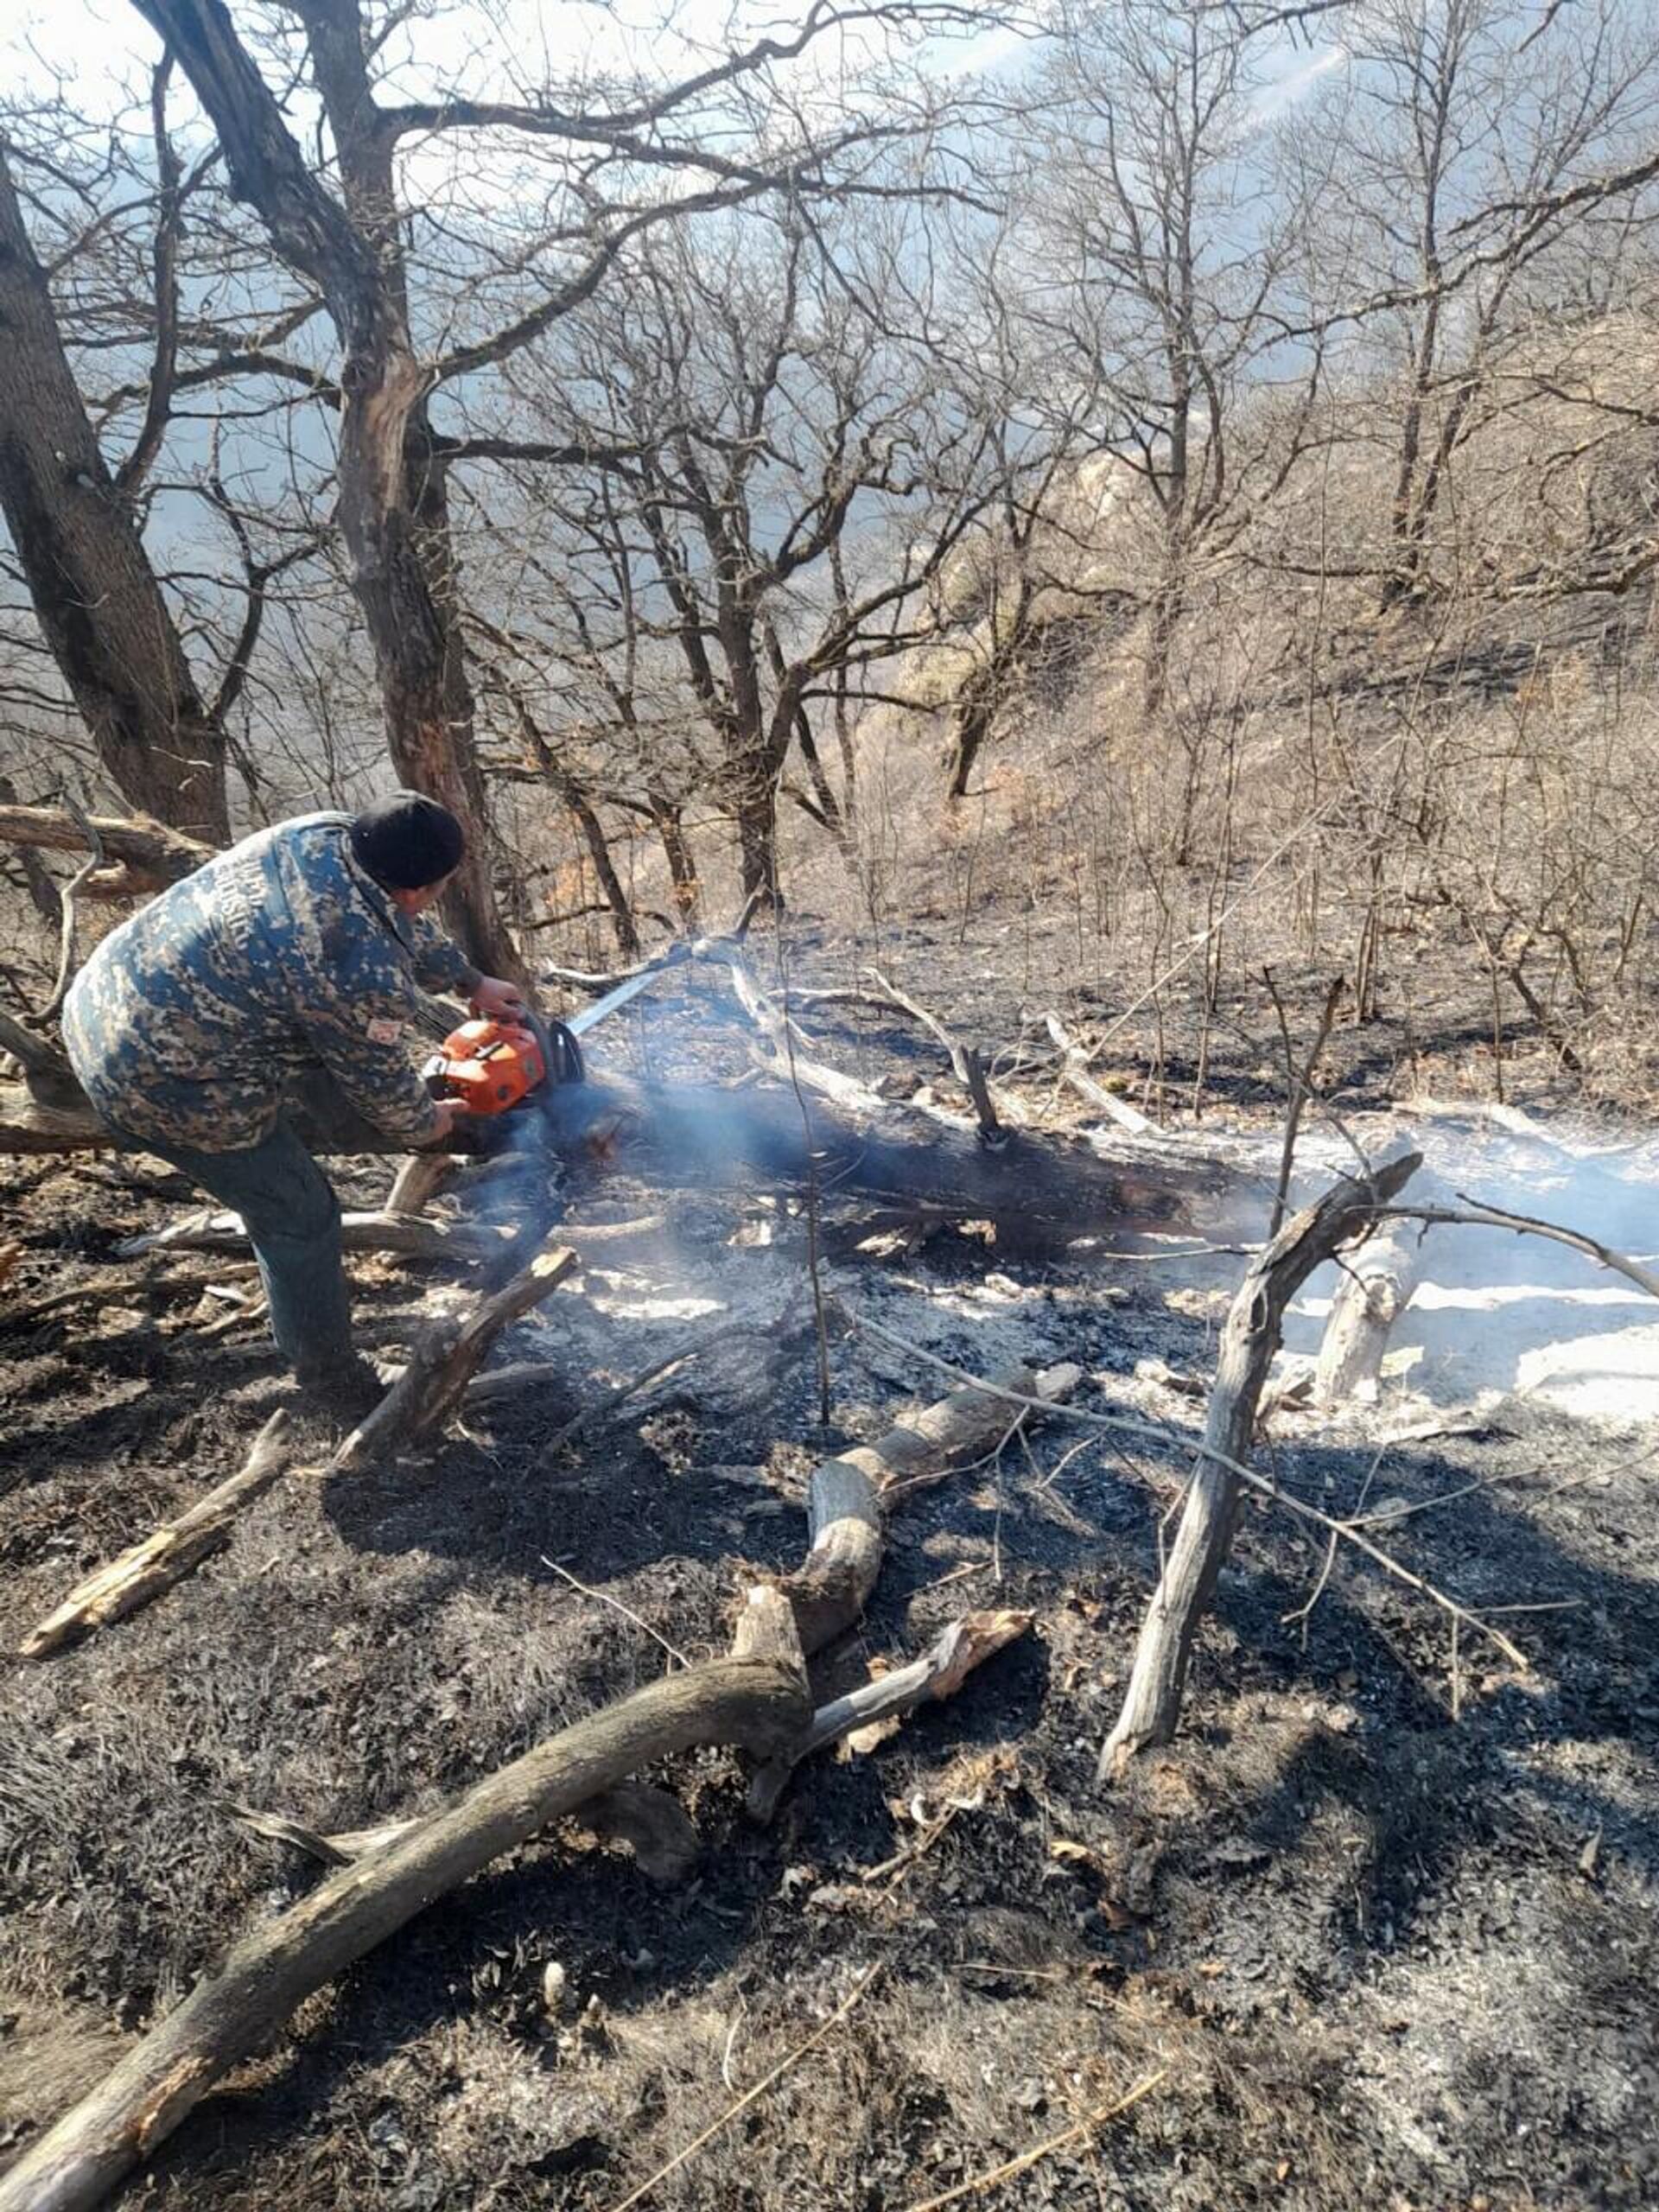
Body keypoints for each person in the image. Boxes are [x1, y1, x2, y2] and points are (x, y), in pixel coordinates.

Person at [61, 792, 524, 1414]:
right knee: (301, 1214)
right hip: (161, 1083)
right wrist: (432, 1122)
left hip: (105, 995)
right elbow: (388, 1098)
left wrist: (471, 980)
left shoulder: (325, 833)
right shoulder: (359, 970)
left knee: (330, 1088)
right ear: (417, 891)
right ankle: (333, 1382)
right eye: (437, 887)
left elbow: (397, 924)